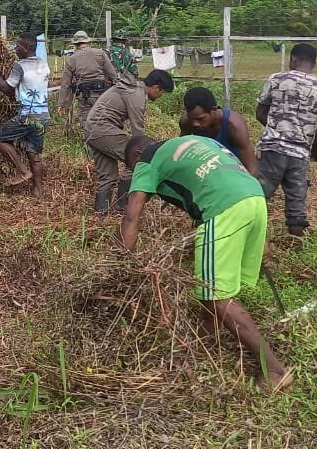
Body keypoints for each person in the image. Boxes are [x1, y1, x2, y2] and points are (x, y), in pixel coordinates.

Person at [121, 135, 291, 392]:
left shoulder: (147, 160)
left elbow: (132, 216)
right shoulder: (193, 142)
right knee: (211, 284)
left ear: (137, 155)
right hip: (254, 198)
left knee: (215, 295)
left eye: (134, 171)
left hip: (223, 209)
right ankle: (206, 346)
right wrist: (263, 236)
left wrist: (122, 265)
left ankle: (275, 371)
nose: (138, 175)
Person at [256, 43, 317, 237]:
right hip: (300, 153)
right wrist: (314, 150)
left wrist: (278, 129)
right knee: (296, 206)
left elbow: (260, 113)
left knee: (258, 196)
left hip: (272, 148)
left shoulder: (276, 79)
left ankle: (252, 236)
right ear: (314, 63)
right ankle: (295, 244)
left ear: (293, 59)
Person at [84, 69, 174, 214]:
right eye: (162, 92)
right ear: (157, 87)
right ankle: (123, 205)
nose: (160, 96)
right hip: (102, 129)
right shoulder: (137, 95)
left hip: (92, 130)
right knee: (138, 159)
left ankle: (101, 213)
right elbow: (138, 136)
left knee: (108, 174)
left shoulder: (132, 89)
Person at [0, 33, 51, 198]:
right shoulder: (44, 64)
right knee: (33, 152)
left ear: (25, 48)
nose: (15, 49)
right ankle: (38, 191)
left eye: (18, 46)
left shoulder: (20, 65)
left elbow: (7, 88)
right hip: (44, 115)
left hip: (28, 114)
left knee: (0, 138)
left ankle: (23, 171)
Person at [179, 87, 259, 176]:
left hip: (235, 171)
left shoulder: (234, 125)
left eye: (200, 119)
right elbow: (181, 151)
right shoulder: (186, 122)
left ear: (213, 110)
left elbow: (251, 166)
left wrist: (249, 185)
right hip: (206, 170)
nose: (195, 124)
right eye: (191, 118)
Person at [58, 30, 119, 121]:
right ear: (88, 42)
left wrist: (62, 104)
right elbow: (113, 74)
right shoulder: (100, 53)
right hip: (100, 94)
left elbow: (65, 84)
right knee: (101, 121)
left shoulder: (71, 59)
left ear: (75, 44)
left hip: (84, 96)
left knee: (86, 122)